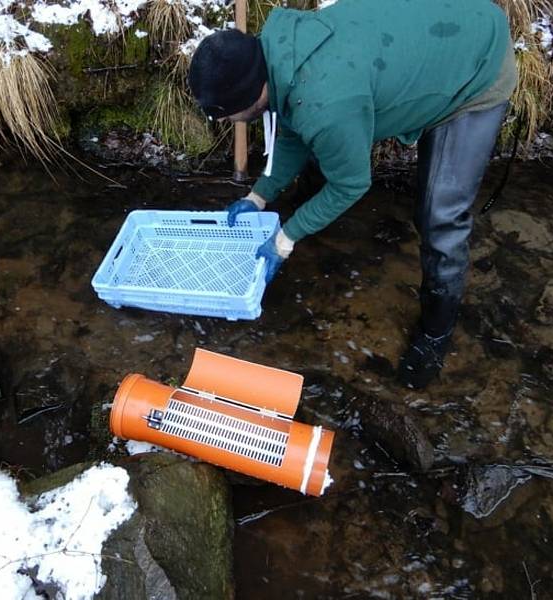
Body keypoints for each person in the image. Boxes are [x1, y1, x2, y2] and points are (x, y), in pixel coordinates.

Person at [187, 0, 517, 389]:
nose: (224, 122)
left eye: (224, 115)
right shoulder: (284, 53)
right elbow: (293, 126)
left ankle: (435, 335)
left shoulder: (325, 102)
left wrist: (286, 238)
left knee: (439, 216)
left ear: (248, 97)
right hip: (436, 38)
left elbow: (351, 184)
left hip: (476, 64)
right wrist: (260, 195)